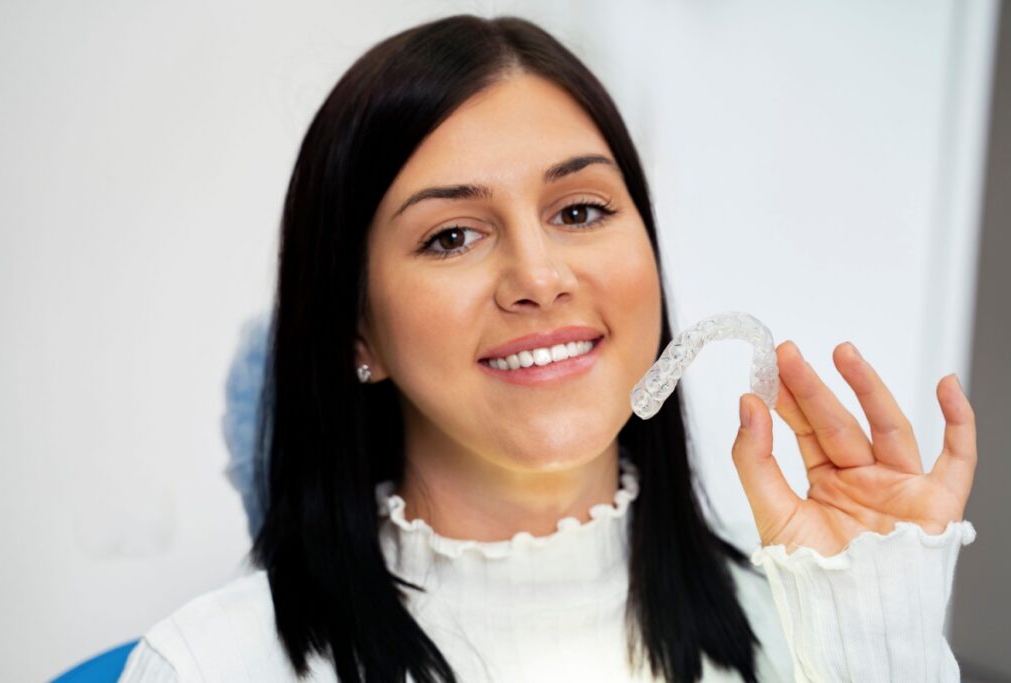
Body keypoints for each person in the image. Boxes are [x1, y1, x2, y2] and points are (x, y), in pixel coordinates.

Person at [119, 14, 978, 683]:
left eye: (580, 211)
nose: (538, 276)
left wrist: (879, 645)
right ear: (356, 330)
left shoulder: (812, 635)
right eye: (452, 235)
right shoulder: (206, 665)